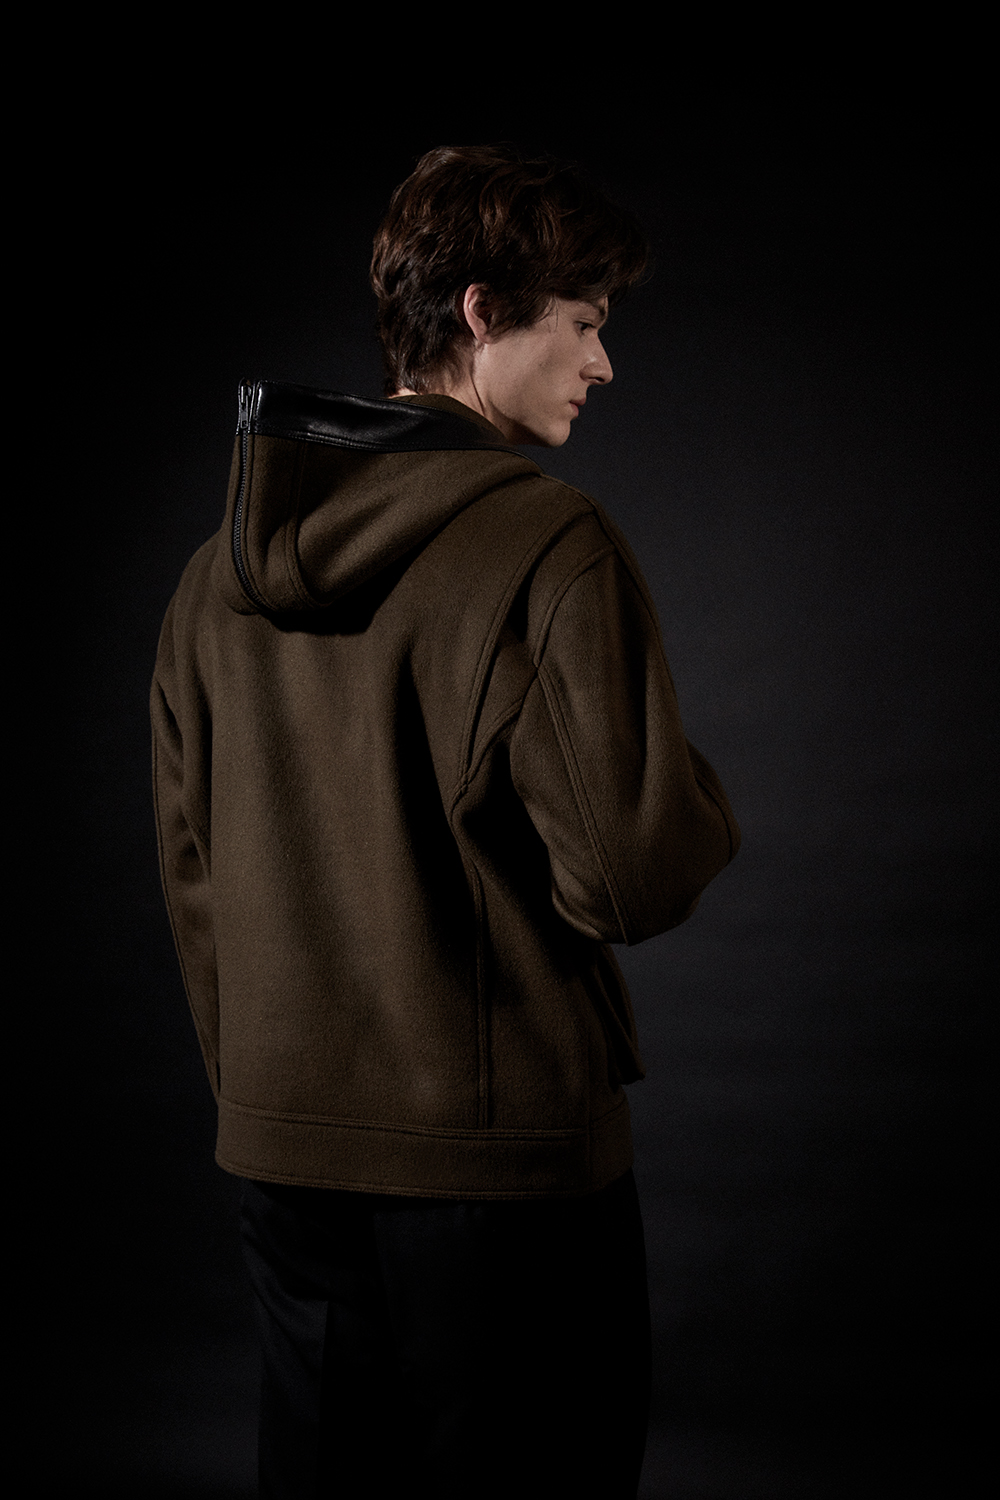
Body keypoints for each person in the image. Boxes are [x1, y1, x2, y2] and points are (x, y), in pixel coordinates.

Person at [152, 145, 740, 1498]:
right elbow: (633, 878)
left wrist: (272, 1096)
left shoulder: (209, 581)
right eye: (583, 322)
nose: (604, 364)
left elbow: (193, 875)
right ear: (483, 312)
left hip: (285, 1163)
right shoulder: (548, 546)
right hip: (506, 1180)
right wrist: (691, 792)